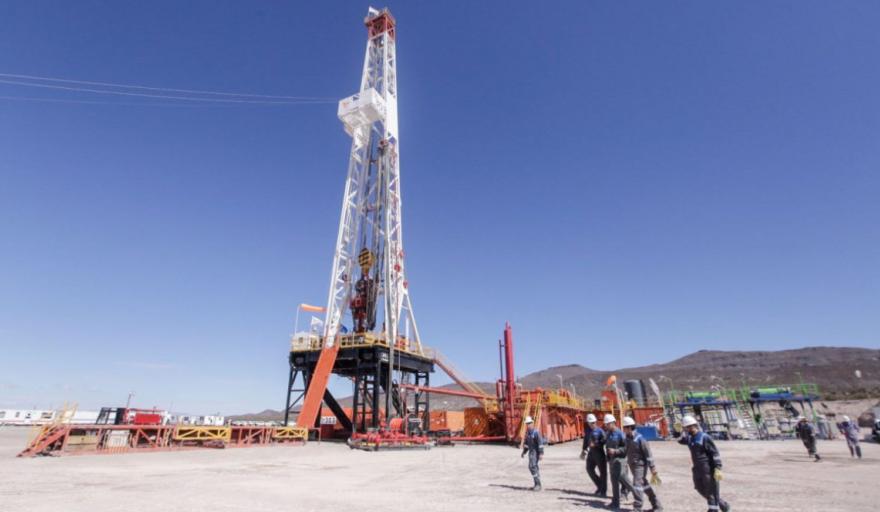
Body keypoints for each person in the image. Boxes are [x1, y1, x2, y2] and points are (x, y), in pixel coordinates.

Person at [679, 415, 730, 512]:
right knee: (699, 488)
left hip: (707, 468)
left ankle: (713, 509)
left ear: (694, 425)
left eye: (689, 426)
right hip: (697, 468)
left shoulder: (704, 437)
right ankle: (723, 505)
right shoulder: (690, 438)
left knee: (711, 490)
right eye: (686, 427)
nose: (688, 429)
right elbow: (680, 440)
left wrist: (718, 467)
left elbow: (714, 453)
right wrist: (678, 431)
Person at [623, 416, 663, 512]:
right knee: (645, 486)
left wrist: (652, 467)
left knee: (636, 485)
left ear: (629, 427)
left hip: (640, 466)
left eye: (625, 428)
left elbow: (648, 454)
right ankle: (657, 506)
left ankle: (637, 508)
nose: (624, 430)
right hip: (632, 465)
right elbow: (626, 451)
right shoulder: (627, 438)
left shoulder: (640, 439)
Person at [604, 414, 634, 510]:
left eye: (608, 424)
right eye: (606, 424)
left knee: (623, 478)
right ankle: (615, 503)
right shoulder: (608, 434)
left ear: (613, 423)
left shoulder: (620, 434)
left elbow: (626, 448)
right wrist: (608, 457)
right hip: (612, 461)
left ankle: (637, 495)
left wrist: (616, 451)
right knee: (614, 482)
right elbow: (607, 446)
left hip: (620, 460)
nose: (607, 426)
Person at [580, 413, 608, 497]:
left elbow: (605, 441)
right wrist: (583, 451)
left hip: (599, 453)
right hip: (591, 454)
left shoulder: (600, 431)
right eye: (590, 423)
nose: (592, 424)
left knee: (603, 473)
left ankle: (603, 491)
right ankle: (600, 485)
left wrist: (596, 444)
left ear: (595, 422)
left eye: (593, 423)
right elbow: (585, 441)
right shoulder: (588, 431)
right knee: (589, 469)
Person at [521, 416, 544, 491]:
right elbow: (526, 444)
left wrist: (541, 453)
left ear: (532, 423)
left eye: (529, 423)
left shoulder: (536, 433)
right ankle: (537, 484)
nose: (528, 425)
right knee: (533, 467)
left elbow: (540, 443)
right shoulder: (528, 433)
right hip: (531, 452)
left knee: (532, 466)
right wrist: (524, 452)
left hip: (535, 452)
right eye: (527, 424)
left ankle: (538, 484)